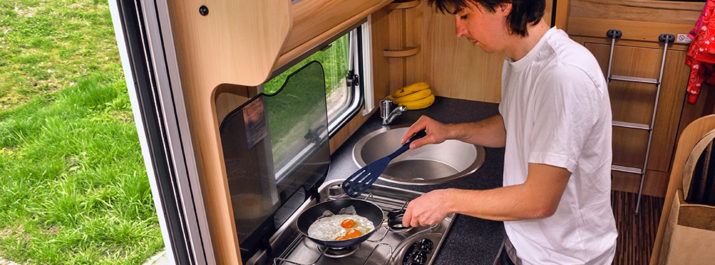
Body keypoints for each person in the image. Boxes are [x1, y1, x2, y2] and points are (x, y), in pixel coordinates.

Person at [399, 0, 618, 264]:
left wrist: (447, 199)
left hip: (562, 257)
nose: (459, 30)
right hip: (522, 241)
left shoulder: (563, 76)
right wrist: (448, 131)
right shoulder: (519, 60)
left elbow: (540, 200)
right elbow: (510, 126)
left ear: (504, 5)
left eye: (465, 15)